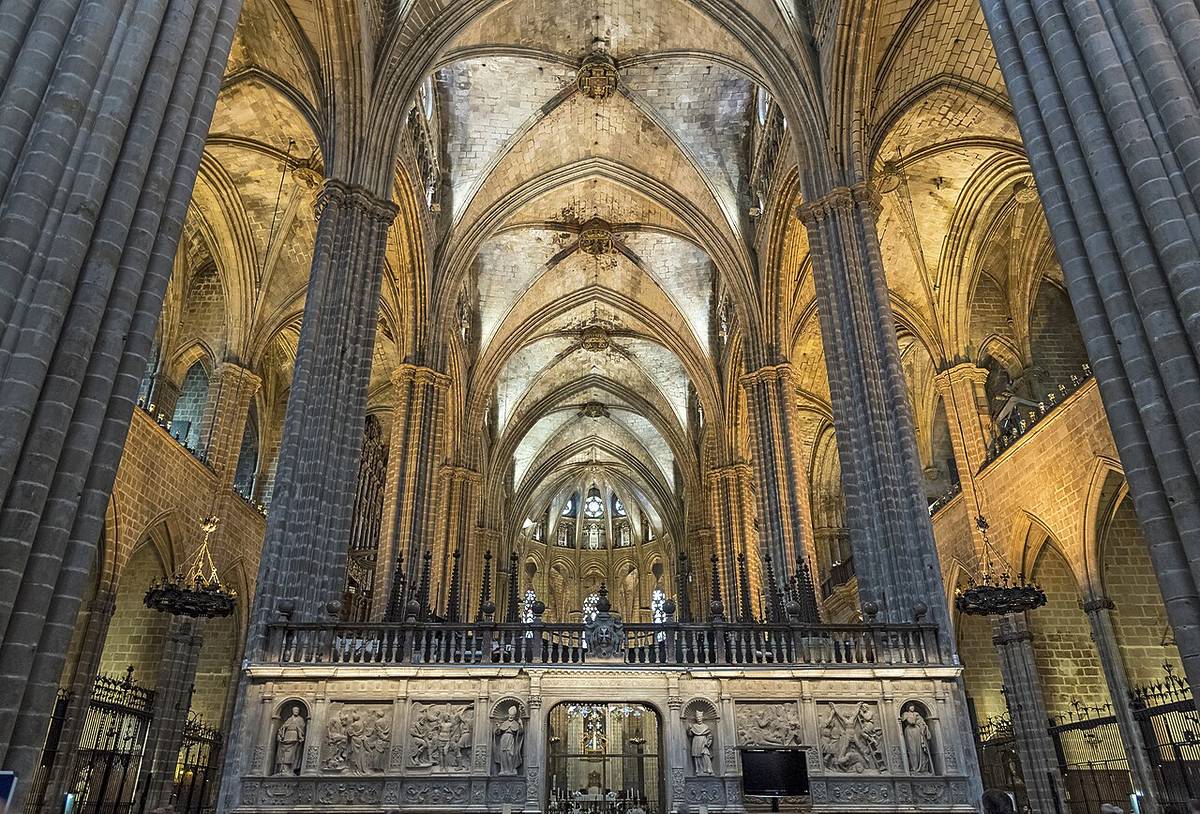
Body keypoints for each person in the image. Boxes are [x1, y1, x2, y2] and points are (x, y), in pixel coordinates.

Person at [275, 706, 306, 775]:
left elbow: (302, 728)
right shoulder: (289, 719)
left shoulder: (300, 719)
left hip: (295, 737)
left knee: (292, 754)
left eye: (297, 710)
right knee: (283, 753)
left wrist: (299, 732)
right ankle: (283, 769)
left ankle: (290, 769)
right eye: (294, 710)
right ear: (292, 711)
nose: (296, 711)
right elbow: (283, 727)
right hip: (287, 736)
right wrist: (285, 728)